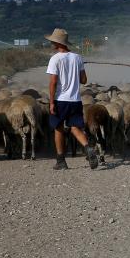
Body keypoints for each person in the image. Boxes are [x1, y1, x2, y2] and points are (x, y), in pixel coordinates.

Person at [44, 28, 99, 170]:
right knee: (75, 127)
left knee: (58, 128)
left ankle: (61, 161)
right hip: (75, 100)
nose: (51, 43)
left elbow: (53, 82)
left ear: (57, 43)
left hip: (60, 100)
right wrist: (76, 69)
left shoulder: (54, 59)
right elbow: (84, 80)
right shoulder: (77, 57)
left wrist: (51, 102)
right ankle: (88, 148)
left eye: (52, 41)